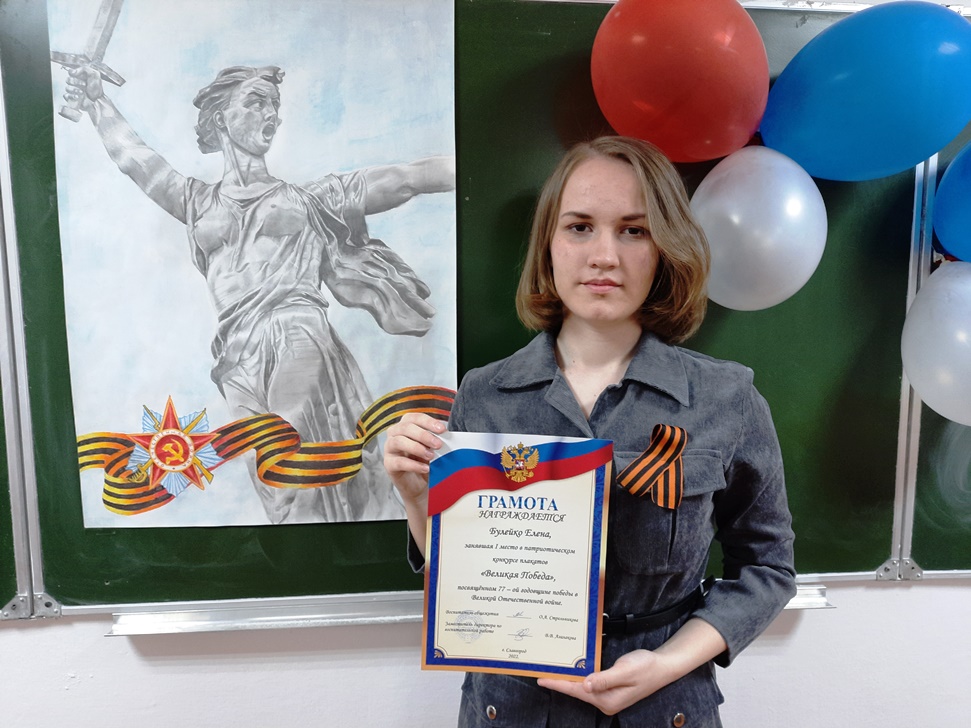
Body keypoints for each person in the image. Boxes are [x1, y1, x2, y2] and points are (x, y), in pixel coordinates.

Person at [384, 136, 796, 727]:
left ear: (664, 248)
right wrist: (415, 498)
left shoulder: (726, 398)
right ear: (549, 245)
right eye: (580, 227)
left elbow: (767, 568)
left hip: (663, 707)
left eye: (634, 231)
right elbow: (464, 580)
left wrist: (665, 664)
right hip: (514, 709)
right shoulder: (485, 394)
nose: (604, 255)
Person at [62, 64, 455, 524]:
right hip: (234, 356)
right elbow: (136, 160)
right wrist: (98, 101)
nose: (271, 114)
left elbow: (407, 178)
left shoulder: (312, 198)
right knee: (273, 486)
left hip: (297, 333)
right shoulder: (196, 202)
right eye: (256, 101)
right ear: (221, 119)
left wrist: (478, 161)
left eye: (274, 105)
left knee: (293, 463)